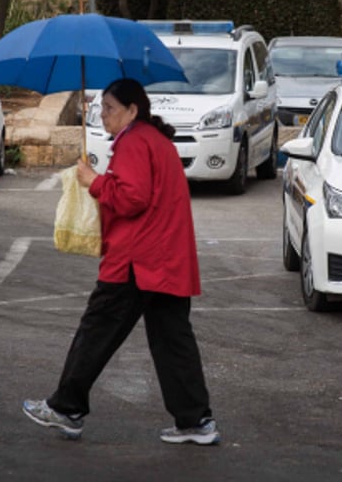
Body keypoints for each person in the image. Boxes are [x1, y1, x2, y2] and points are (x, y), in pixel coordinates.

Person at [22, 78, 219, 444]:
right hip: (164, 257)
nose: (104, 115)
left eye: (110, 108)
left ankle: (66, 408)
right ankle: (195, 420)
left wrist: (94, 180)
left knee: (97, 331)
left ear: (132, 110)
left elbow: (131, 198)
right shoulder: (153, 140)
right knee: (173, 340)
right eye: (101, 108)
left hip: (137, 259)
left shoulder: (134, 142)